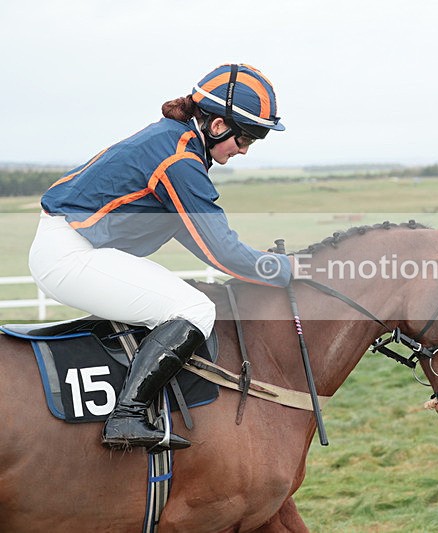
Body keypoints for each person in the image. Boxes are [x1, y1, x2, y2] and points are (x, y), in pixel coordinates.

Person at [29, 63, 293, 451]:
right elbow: (220, 251)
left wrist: (263, 265)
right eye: (246, 139)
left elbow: (193, 234)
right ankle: (127, 416)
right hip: (70, 254)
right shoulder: (179, 160)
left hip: (74, 246)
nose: (245, 150)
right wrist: (288, 269)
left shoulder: (179, 143)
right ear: (218, 125)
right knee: (196, 310)